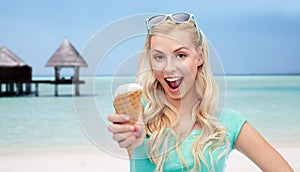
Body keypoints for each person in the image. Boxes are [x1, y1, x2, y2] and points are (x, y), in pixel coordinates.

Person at [107, 13, 293, 171]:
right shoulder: (141, 112)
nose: (169, 68)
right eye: (159, 57)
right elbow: (127, 122)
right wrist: (132, 134)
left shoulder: (228, 123)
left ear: (200, 57)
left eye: (181, 55)